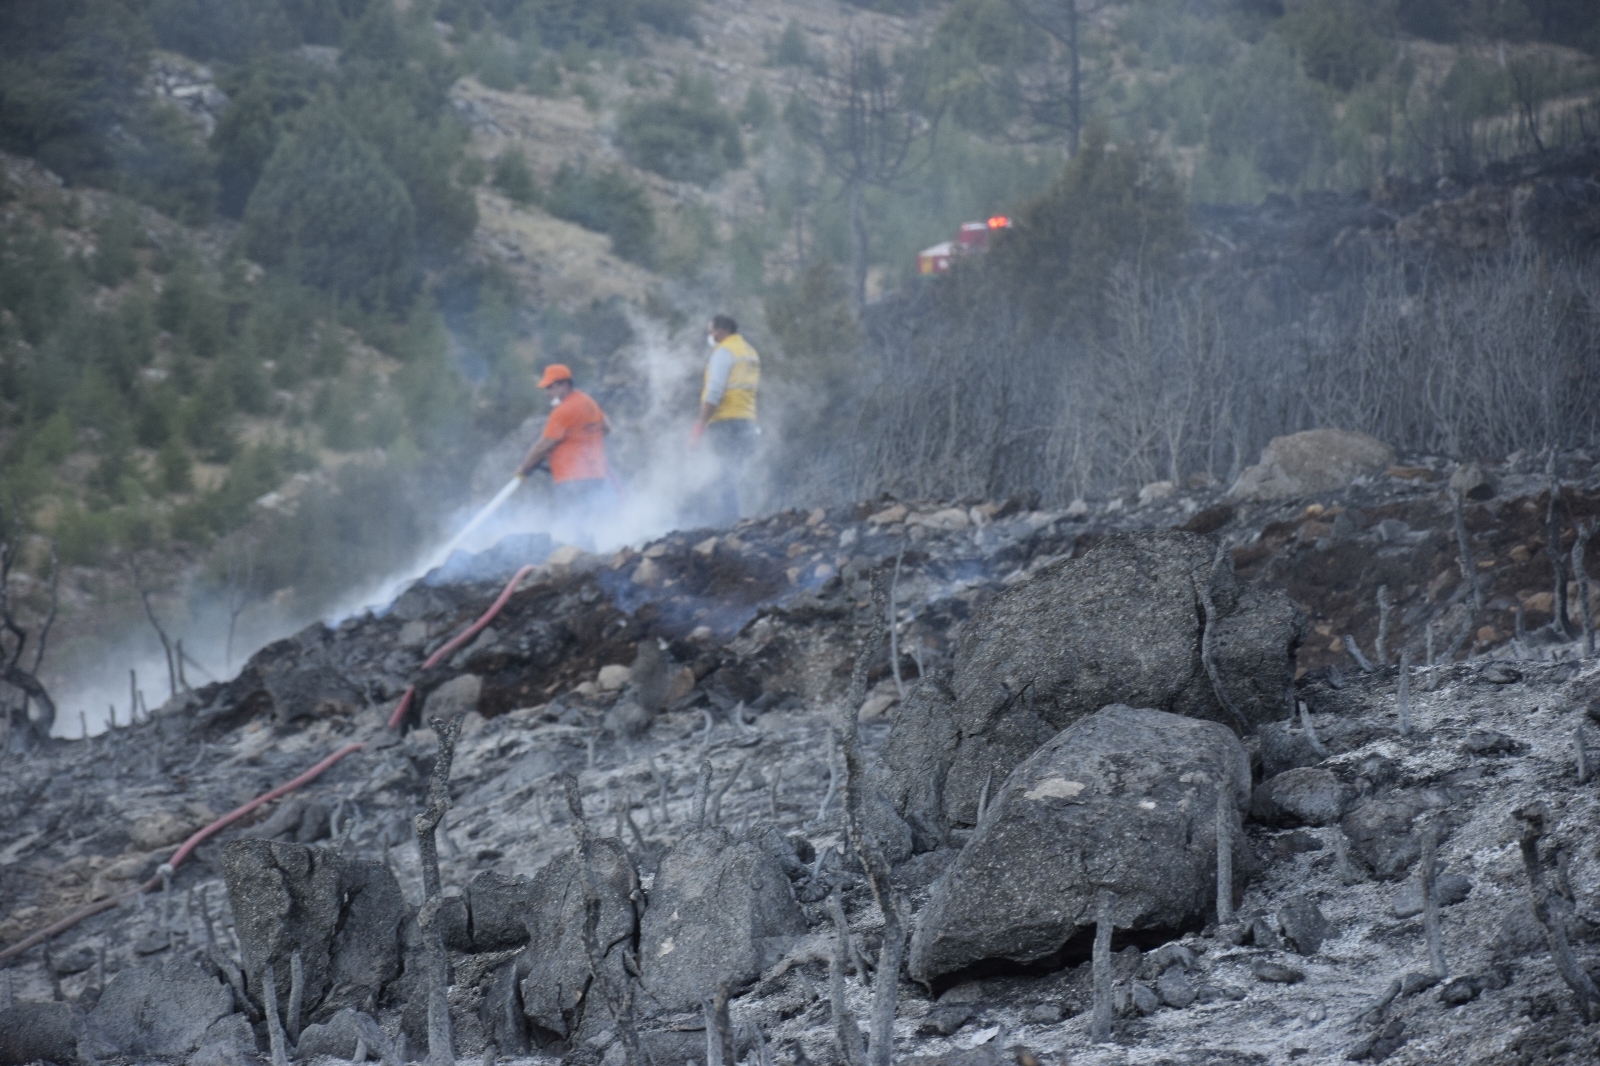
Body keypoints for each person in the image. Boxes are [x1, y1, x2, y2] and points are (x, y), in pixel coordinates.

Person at [517, 364, 611, 548]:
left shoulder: (563, 411)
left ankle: (578, 560)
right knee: (587, 525)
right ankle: (590, 557)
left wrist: (523, 469)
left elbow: (543, 445)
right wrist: (584, 443)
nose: (547, 392)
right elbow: (606, 428)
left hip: (572, 481)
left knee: (572, 527)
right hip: (595, 476)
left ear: (564, 385)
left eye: (550, 387)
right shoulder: (588, 402)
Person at [690, 314, 760, 527]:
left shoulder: (724, 352)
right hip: (747, 420)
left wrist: (699, 425)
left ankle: (728, 523)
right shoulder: (749, 352)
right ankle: (740, 520)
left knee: (723, 473)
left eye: (711, 332)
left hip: (725, 421)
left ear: (721, 332)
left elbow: (714, 392)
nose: (709, 336)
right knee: (736, 472)